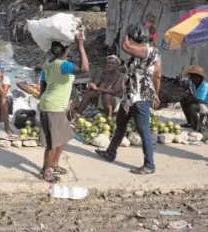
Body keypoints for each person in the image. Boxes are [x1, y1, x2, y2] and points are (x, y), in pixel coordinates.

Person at [96, 23, 162, 175]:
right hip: (129, 97)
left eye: (132, 38)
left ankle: (149, 165)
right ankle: (110, 152)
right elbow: (156, 75)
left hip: (139, 97)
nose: (130, 41)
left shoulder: (147, 49)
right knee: (120, 125)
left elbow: (126, 46)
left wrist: (126, 31)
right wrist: (155, 93)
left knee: (143, 130)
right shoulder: (144, 54)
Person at [39, 35, 89, 183]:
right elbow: (85, 69)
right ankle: (45, 171)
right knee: (52, 143)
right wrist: (81, 46)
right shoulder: (63, 65)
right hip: (53, 107)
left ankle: (54, 163)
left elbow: (43, 85)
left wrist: (44, 102)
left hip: (50, 104)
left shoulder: (47, 64)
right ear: (65, 50)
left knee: (64, 136)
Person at [180, 65, 208, 131]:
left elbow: (199, 100)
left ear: (199, 77)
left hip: (205, 105)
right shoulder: (193, 84)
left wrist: (189, 98)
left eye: (193, 76)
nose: (191, 78)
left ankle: (197, 126)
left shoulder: (204, 85)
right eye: (191, 76)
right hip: (199, 103)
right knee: (183, 100)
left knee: (191, 106)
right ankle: (190, 123)